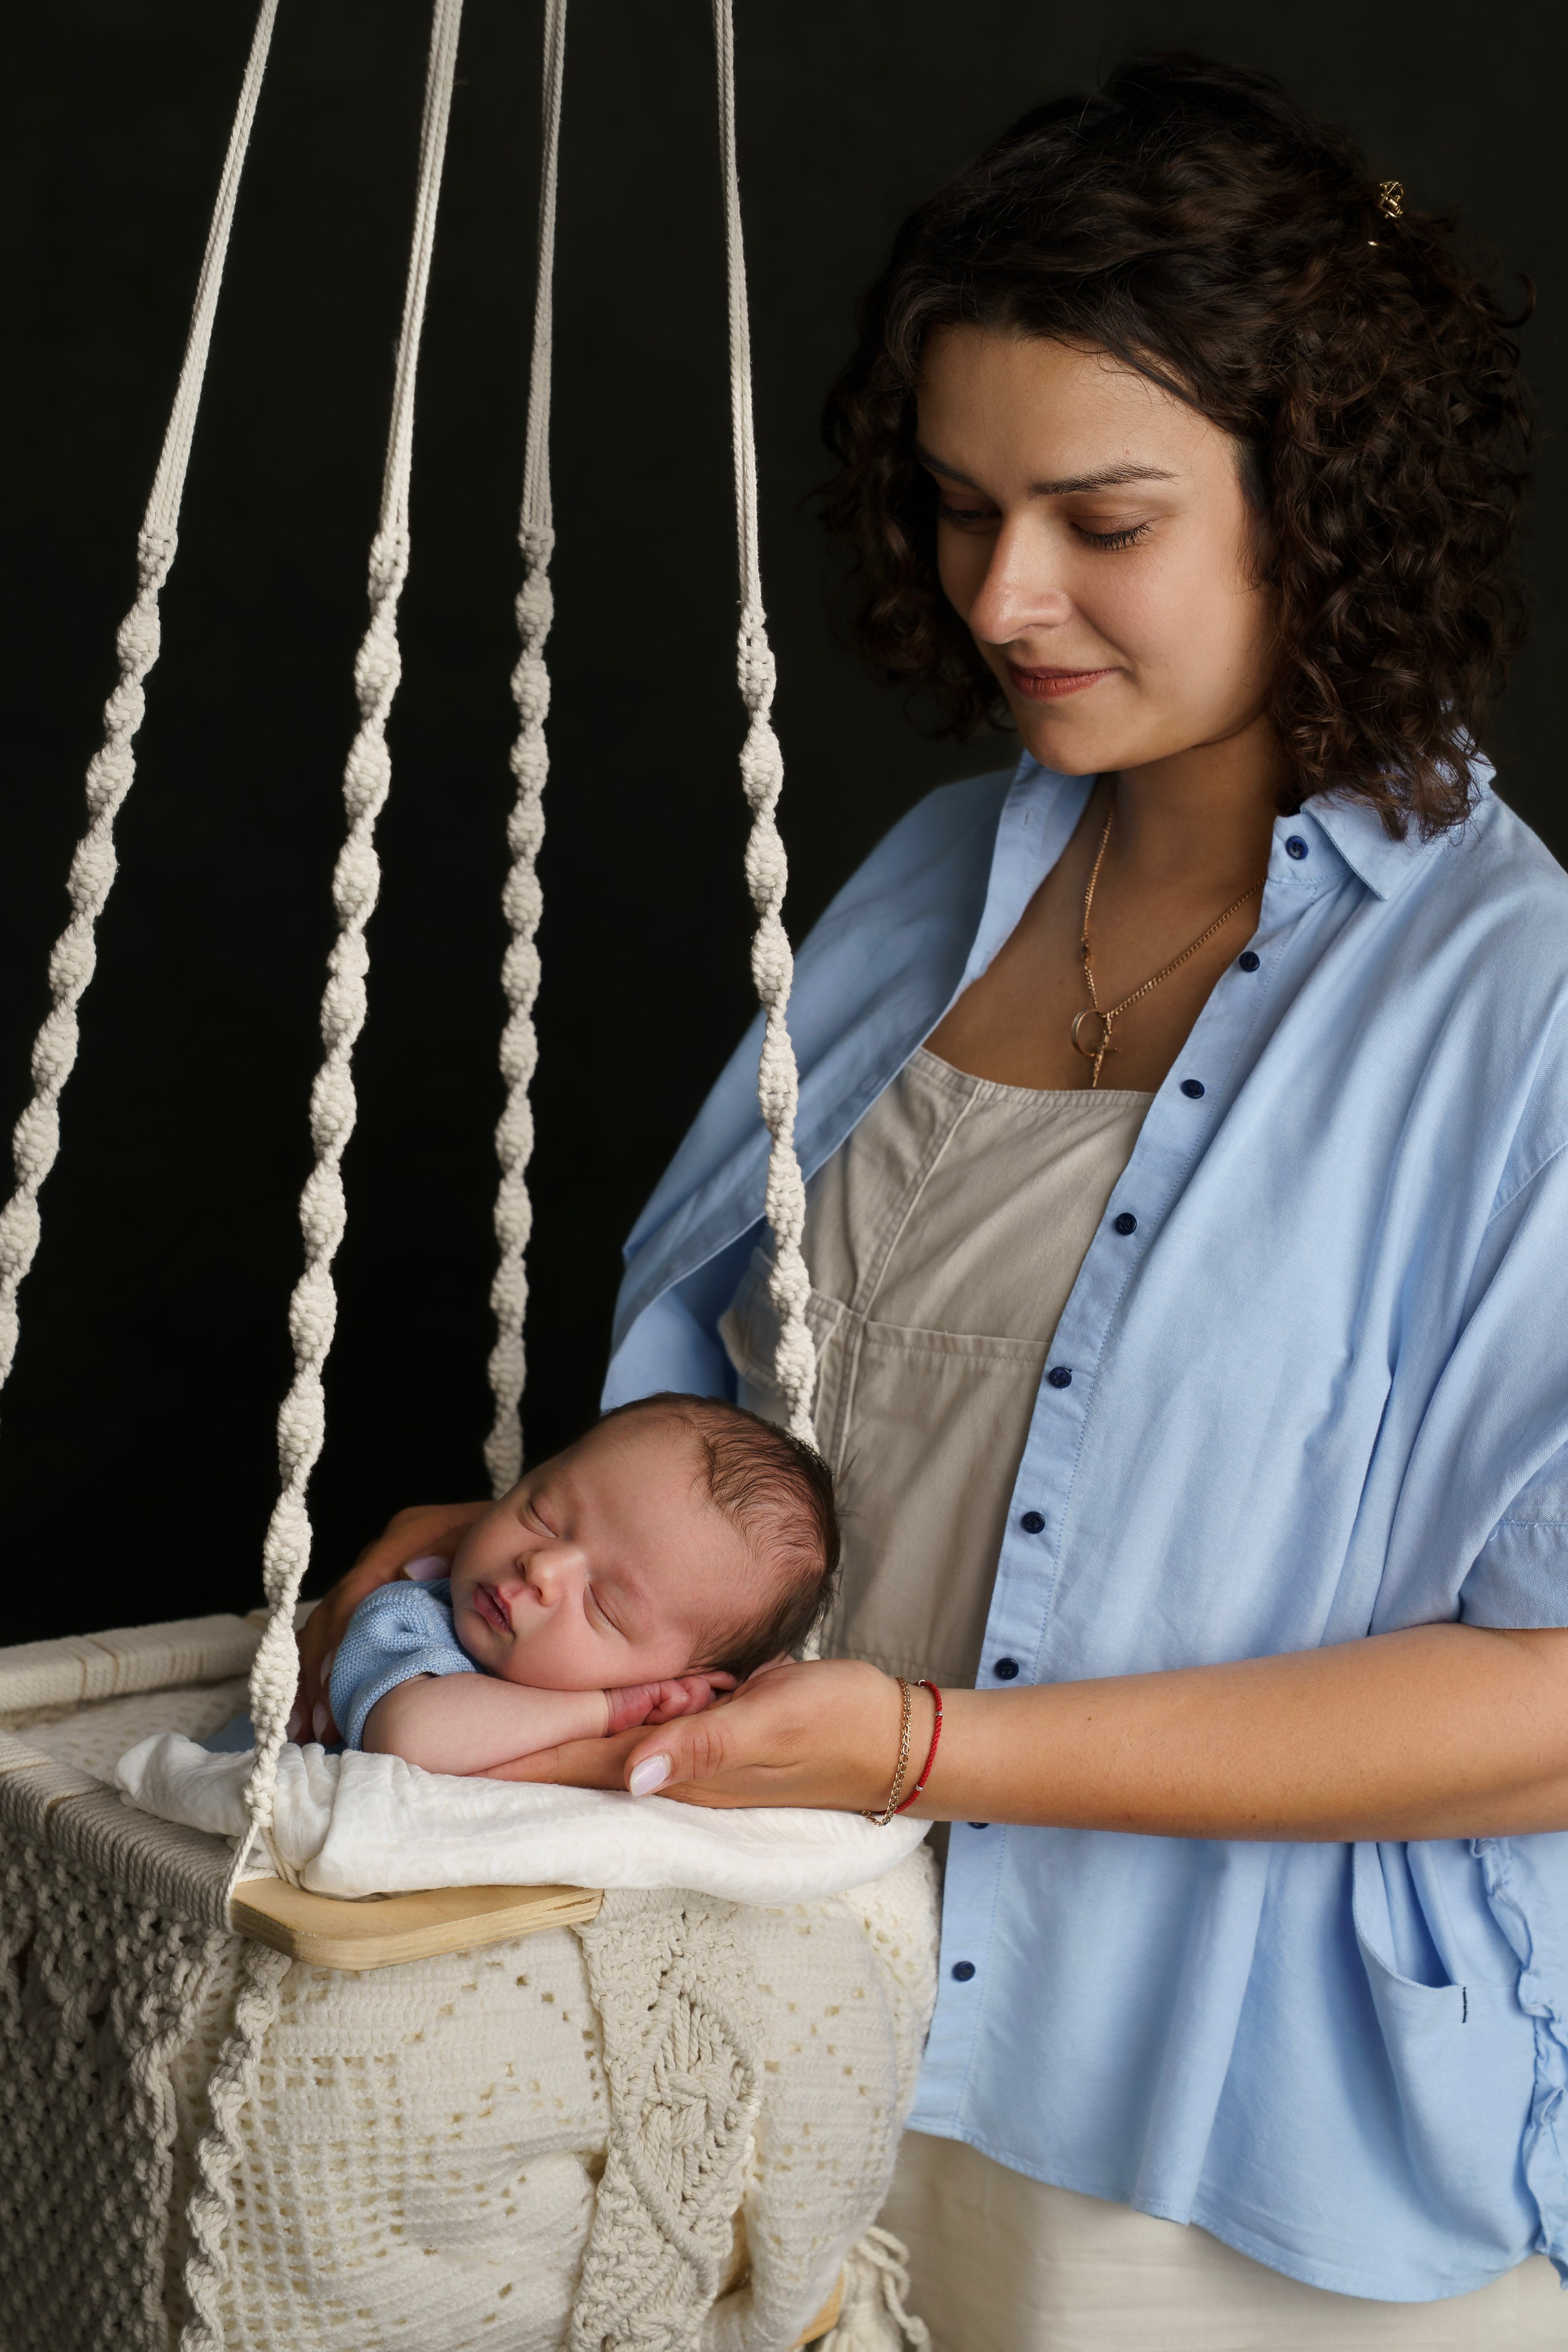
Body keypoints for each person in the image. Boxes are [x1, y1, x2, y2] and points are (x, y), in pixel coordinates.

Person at [295, 53, 1567, 2349]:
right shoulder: (912, 890)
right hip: (788, 2040)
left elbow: (1551, 1701)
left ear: (1322, 500)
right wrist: (523, 1580)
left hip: (1215, 2148)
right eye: (961, 506)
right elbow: (792, 1450)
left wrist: (917, 1753)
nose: (1003, 592)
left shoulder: (1520, 1016)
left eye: (1099, 520)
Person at [307, 1392, 836, 1774]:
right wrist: (605, 1708)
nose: (541, 1567)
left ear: (688, 1688)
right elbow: (407, 1738)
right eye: (542, 1514)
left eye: (602, 1604)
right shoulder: (411, 1622)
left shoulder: (682, 1718)